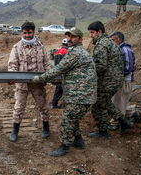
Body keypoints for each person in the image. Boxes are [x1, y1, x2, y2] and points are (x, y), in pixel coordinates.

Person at [32, 28, 97, 157]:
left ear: (80, 38)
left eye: (73, 37)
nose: (69, 39)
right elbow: (71, 72)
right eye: (68, 36)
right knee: (74, 119)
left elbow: (59, 69)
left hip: (80, 95)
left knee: (67, 121)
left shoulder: (75, 53)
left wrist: (38, 79)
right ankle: (79, 141)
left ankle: (64, 147)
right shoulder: (80, 52)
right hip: (83, 94)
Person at [87, 21, 133, 138]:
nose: (90, 35)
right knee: (105, 102)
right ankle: (123, 122)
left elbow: (100, 66)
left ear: (100, 32)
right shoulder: (110, 43)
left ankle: (103, 131)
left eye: (92, 33)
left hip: (107, 81)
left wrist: (86, 75)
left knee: (98, 105)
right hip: (115, 80)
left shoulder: (102, 45)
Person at [8, 21, 51, 142]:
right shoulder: (17, 47)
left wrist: (49, 76)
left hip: (38, 83)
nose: (27, 35)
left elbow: (46, 63)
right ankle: (15, 131)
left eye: (29, 33)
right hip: (22, 83)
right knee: (19, 107)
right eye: (25, 33)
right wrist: (11, 76)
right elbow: (12, 65)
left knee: (43, 106)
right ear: (22, 32)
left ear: (34, 32)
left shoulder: (41, 46)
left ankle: (46, 128)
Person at [108, 31, 136, 130]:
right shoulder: (118, 50)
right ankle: (132, 113)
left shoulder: (125, 50)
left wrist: (115, 76)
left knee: (118, 102)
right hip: (119, 80)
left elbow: (128, 68)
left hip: (124, 81)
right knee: (121, 101)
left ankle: (115, 123)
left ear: (119, 40)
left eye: (113, 40)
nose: (111, 42)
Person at [51, 38, 68, 109]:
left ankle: (54, 104)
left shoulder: (57, 52)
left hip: (57, 73)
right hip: (63, 73)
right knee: (62, 89)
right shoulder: (66, 51)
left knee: (58, 89)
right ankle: (55, 104)